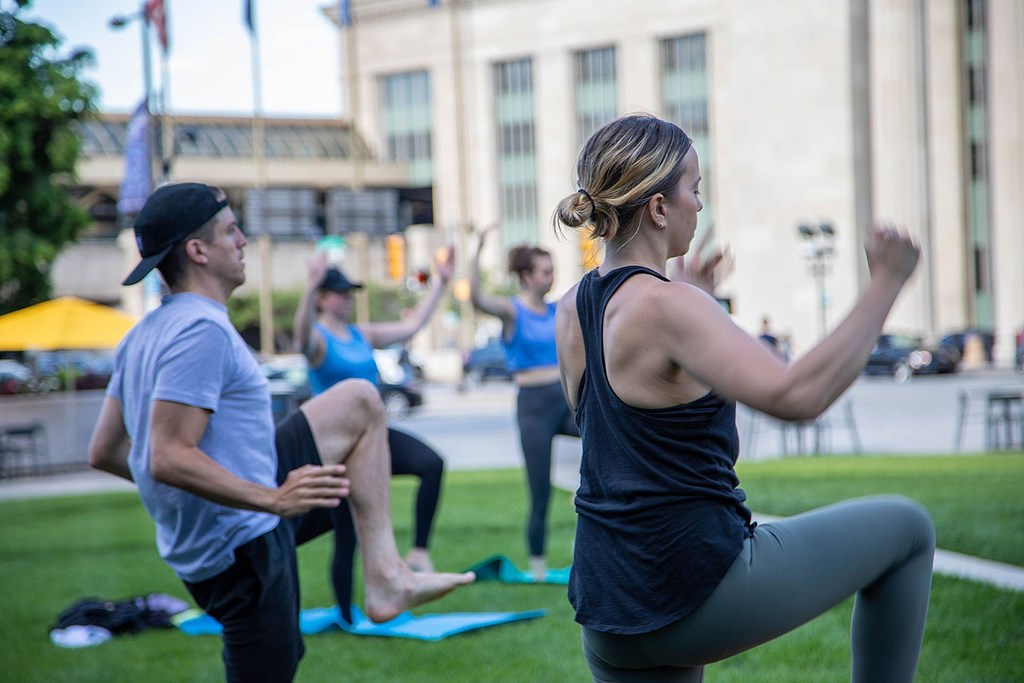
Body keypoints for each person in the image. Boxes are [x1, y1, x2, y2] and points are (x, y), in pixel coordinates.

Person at [552, 115, 934, 683]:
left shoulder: (571, 309)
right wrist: (885, 284)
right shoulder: (671, 308)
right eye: (694, 191)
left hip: (609, 609)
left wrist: (693, 298)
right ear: (658, 208)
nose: (699, 208)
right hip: (693, 589)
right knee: (907, 530)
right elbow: (797, 394)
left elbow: (634, 422)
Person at [87, 183, 474, 683]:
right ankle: (384, 581)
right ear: (198, 250)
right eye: (231, 231)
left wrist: (200, 499)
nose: (244, 241)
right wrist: (266, 499)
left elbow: (106, 451)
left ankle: (386, 577)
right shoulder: (200, 332)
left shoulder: (144, 333)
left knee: (359, 400)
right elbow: (165, 457)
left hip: (241, 514)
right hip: (242, 542)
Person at [292, 250, 452, 622]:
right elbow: (299, 337)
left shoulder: (359, 334)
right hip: (337, 447)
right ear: (322, 298)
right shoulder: (317, 340)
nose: (347, 297)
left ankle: (418, 551)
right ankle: (347, 615)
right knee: (346, 530)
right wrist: (310, 283)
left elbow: (412, 328)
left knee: (431, 463)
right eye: (340, 292)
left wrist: (442, 282)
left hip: (374, 438)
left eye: (350, 292)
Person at [470, 228, 579, 581]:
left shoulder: (556, 310)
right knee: (540, 491)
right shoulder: (512, 312)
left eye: (553, 270)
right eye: (545, 271)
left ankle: (588, 492)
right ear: (527, 276)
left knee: (605, 435)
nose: (551, 277)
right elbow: (477, 300)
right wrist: (476, 252)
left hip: (564, 401)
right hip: (533, 406)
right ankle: (537, 569)